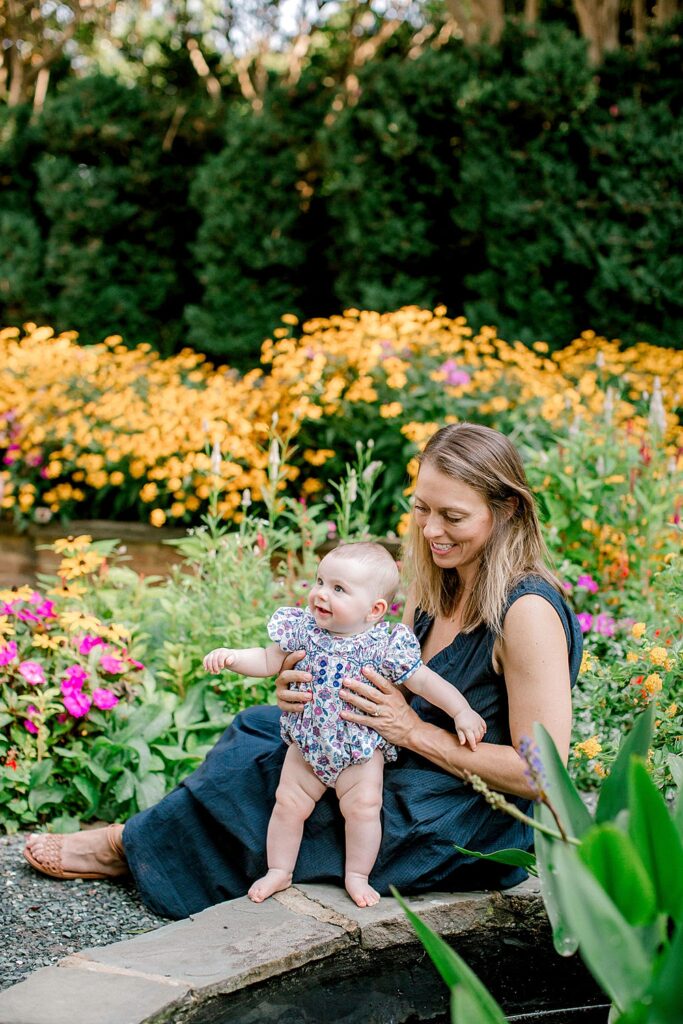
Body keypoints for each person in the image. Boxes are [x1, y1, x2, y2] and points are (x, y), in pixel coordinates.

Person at [23, 422, 582, 921]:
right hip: (400, 759)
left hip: (459, 815)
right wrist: (303, 687)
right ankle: (156, 844)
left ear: (506, 509)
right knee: (259, 728)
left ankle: (128, 846)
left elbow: (542, 777)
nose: (432, 530)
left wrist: (413, 732)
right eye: (422, 509)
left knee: (267, 780)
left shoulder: (526, 612)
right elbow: (389, 677)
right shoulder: (444, 581)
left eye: (452, 516)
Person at [202, 541, 486, 907]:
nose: (320, 593)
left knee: (364, 809)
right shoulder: (304, 631)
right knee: (288, 803)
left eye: (338, 589)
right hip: (308, 745)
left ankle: (357, 875)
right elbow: (268, 660)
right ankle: (279, 870)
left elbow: (425, 681)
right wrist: (232, 657)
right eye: (320, 581)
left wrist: (461, 710)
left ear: (374, 610)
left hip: (360, 750)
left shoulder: (383, 647)